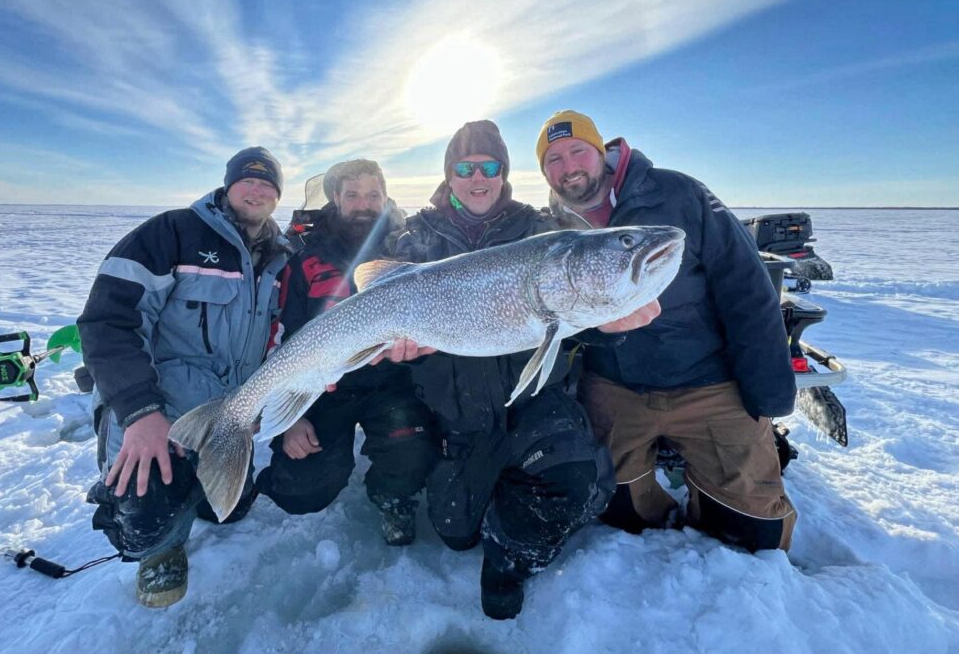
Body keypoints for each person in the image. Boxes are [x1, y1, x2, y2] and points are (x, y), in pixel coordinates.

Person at [394, 120, 651, 620]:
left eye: (489, 167)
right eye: (465, 168)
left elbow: (579, 314)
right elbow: (382, 299)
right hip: (461, 415)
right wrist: (397, 349)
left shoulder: (543, 232)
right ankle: (498, 487)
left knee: (571, 483)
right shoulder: (416, 239)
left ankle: (508, 559)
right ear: (449, 175)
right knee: (454, 533)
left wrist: (610, 324)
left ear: (504, 173)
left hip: (536, 405)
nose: (478, 178)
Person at [535, 109, 799, 552]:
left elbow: (747, 288)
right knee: (614, 508)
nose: (568, 167)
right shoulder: (553, 228)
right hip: (615, 385)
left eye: (577, 151)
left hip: (707, 380)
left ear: (601, 150)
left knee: (753, 534)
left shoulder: (678, 194)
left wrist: (768, 387)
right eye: (553, 160)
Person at [78, 147, 296, 608]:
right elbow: (107, 323)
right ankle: (160, 549)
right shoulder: (172, 233)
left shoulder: (278, 257)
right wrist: (140, 412)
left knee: (229, 513)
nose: (256, 190)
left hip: (227, 413)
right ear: (228, 185)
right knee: (145, 514)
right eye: (247, 180)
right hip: (159, 410)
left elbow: (276, 334)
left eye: (267, 184)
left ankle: (194, 487)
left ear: (277, 196)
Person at [255, 159, 436, 546]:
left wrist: (415, 354)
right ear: (336, 198)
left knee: (414, 453)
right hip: (324, 388)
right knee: (300, 489)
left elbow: (431, 325)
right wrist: (291, 418)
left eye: (373, 195)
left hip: (392, 385)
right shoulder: (305, 257)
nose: (363, 205)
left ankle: (391, 494)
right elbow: (281, 339)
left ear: (385, 197)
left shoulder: (408, 248)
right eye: (352, 195)